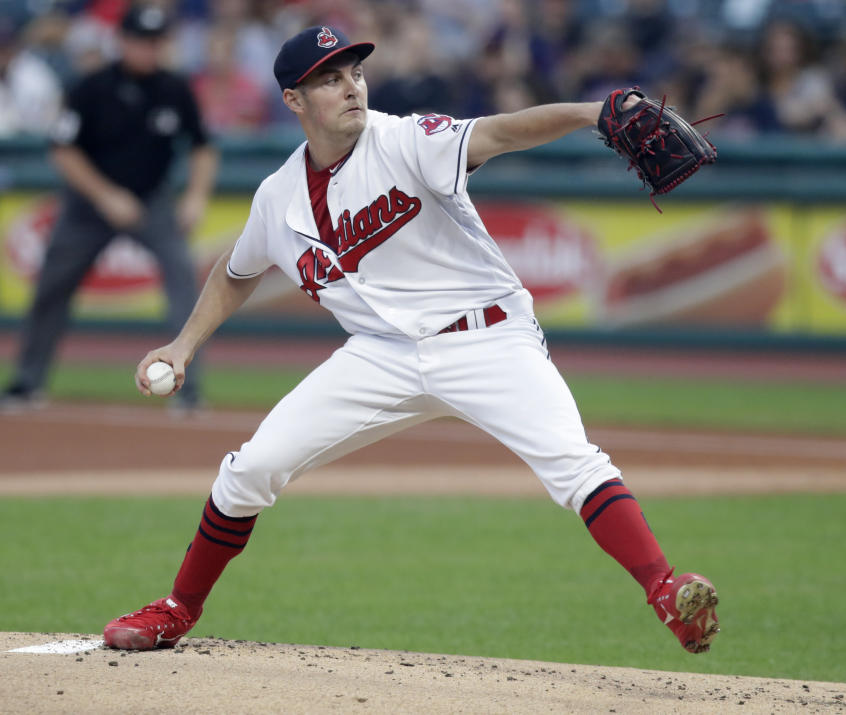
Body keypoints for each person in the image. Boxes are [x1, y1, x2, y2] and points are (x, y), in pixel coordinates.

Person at [102, 23, 720, 655]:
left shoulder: (405, 139)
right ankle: (177, 608)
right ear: (293, 100)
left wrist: (593, 112)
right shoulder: (277, 198)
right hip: (381, 355)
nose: (351, 88)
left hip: (488, 338)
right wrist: (183, 346)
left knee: (574, 465)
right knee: (251, 468)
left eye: (356, 74)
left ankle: (668, 592)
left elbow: (502, 131)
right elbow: (237, 273)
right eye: (331, 79)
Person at [1, 5, 218, 411]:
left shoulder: (174, 88)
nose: (149, 50)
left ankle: (187, 389)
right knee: (51, 287)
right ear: (122, 41)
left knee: (184, 285)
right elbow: (63, 151)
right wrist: (105, 196)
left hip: (151, 200)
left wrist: (195, 196)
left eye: (156, 42)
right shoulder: (91, 87)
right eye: (141, 41)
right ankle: (27, 382)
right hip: (88, 205)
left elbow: (203, 147)